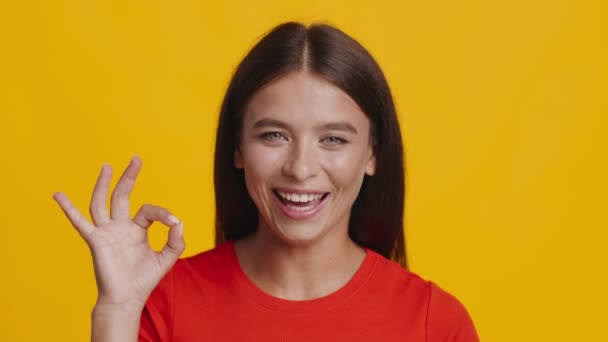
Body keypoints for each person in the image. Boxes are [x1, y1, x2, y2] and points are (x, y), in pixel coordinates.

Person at [53, 22, 479, 341]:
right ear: (237, 146)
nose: (300, 167)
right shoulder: (164, 304)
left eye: (333, 138)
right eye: (274, 135)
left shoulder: (433, 322)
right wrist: (117, 311)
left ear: (371, 154)